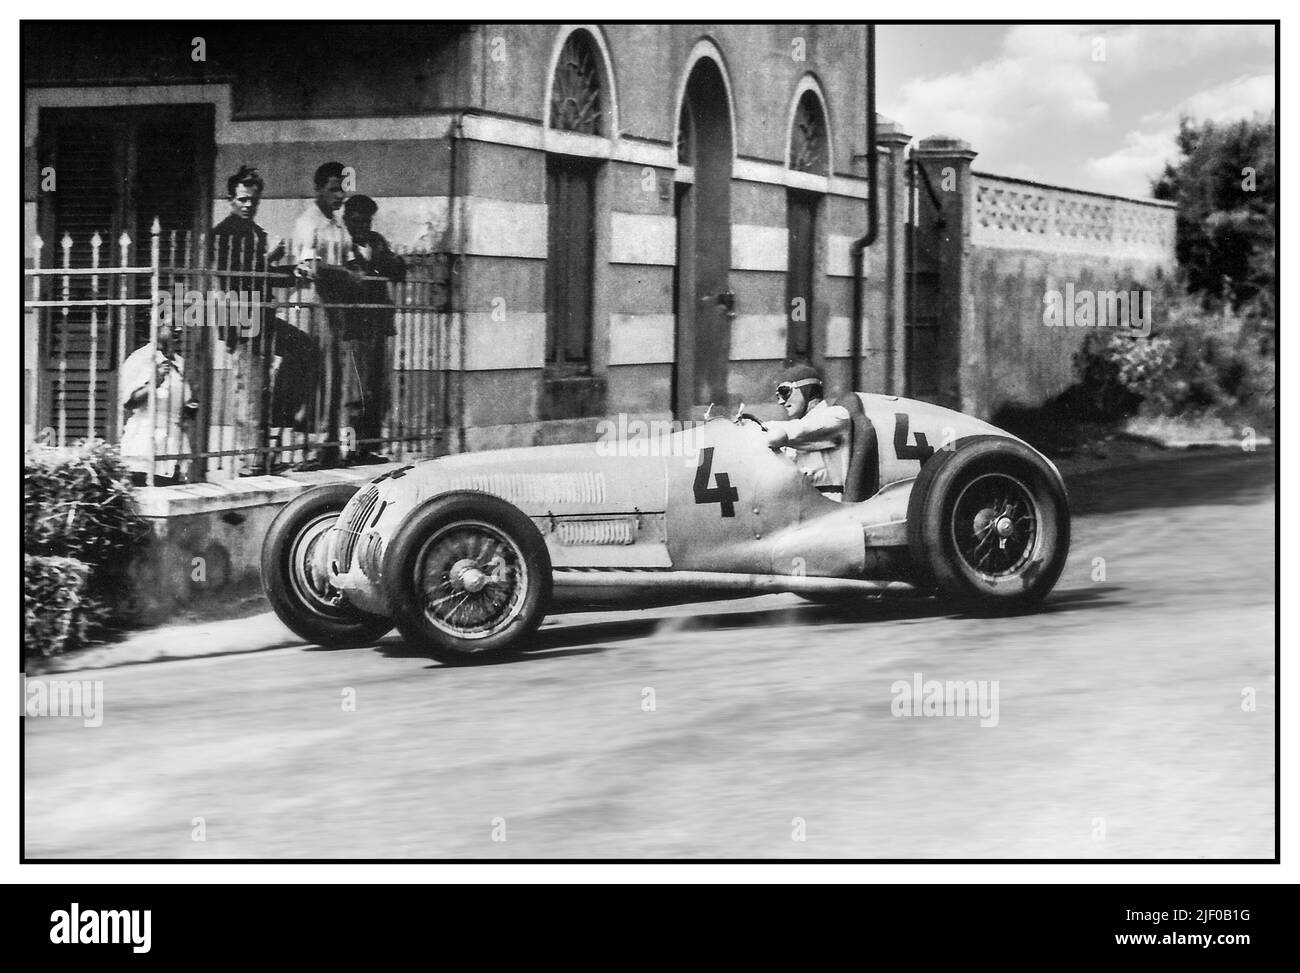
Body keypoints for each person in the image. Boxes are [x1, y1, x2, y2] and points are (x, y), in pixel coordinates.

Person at [211, 165, 317, 474]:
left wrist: (288, 272)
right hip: (241, 318)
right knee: (252, 387)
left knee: (303, 349)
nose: (248, 205)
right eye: (242, 199)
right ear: (231, 199)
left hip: (261, 315)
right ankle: (252, 461)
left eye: (253, 200)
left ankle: (279, 419)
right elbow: (241, 277)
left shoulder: (255, 233)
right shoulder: (223, 234)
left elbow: (261, 275)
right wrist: (278, 266)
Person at [338, 194, 406, 463]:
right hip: (354, 328)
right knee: (355, 393)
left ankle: (369, 448)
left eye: (367, 221)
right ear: (347, 220)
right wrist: (374, 267)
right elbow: (352, 283)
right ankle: (349, 450)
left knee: (377, 391)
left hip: (380, 326)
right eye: (357, 221)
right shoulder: (342, 245)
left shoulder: (377, 242)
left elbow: (399, 269)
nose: (363, 226)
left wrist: (376, 264)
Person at [119, 323, 197, 486]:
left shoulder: (180, 363)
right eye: (170, 326)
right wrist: (155, 381)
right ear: (154, 327)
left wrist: (190, 407)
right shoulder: (140, 358)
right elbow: (128, 402)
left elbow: (187, 402)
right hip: (146, 442)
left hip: (175, 444)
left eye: (178, 326)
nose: (177, 330)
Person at [764, 362, 851, 500]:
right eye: (778, 396)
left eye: (784, 392)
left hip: (831, 506)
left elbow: (801, 430)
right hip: (800, 505)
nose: (781, 401)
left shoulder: (837, 416)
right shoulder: (792, 433)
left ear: (807, 389)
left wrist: (757, 427)